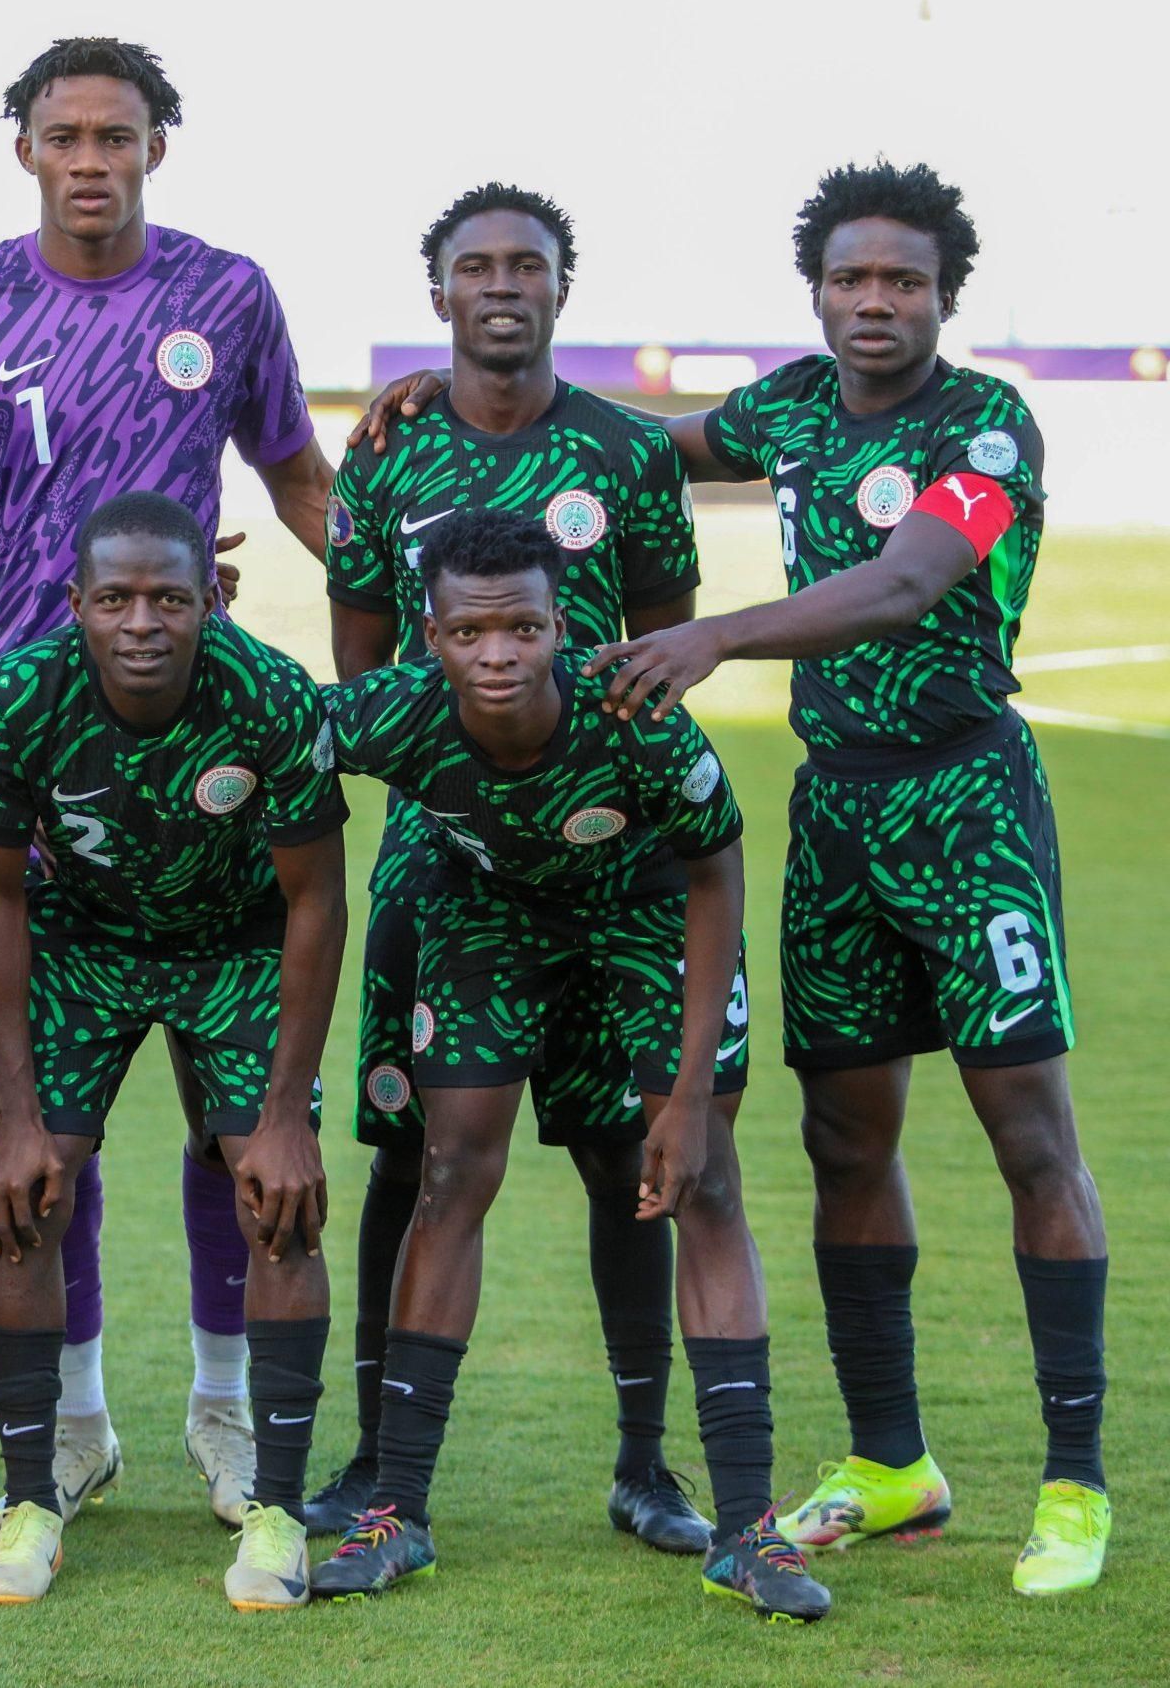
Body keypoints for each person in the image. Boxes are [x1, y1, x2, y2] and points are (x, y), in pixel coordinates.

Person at [359, 159, 1110, 1597]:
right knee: (844, 1141)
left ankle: (1073, 1479)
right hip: (836, 815)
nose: (874, 301)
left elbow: (906, 581)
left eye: (902, 280)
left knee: (1031, 1136)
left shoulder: (985, 424)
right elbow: (625, 443)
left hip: (967, 805)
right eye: (849, 278)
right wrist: (449, 395)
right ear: (815, 293)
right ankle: (890, 1462)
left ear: (946, 295)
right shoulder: (788, 408)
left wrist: (718, 636)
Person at [0, 36, 336, 1523]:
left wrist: (419, 614)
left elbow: (297, 479)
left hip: (192, 734)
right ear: (23, 147)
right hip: (38, 753)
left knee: (236, 1119)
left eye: (117, 134)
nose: (91, 158)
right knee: (52, 1124)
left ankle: (225, 1410)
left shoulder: (227, 292)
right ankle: (76, 1425)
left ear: (158, 146)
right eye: (65, 134)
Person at [303, 509, 824, 1621]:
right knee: (450, 1175)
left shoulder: (635, 714)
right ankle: (398, 1513)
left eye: (523, 630)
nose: (497, 655)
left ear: (559, 625)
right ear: (431, 636)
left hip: (644, 911)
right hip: (488, 913)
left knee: (702, 1183)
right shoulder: (389, 710)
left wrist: (690, 1095)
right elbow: (253, 729)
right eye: (469, 634)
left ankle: (747, 1532)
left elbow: (715, 871)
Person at [310, 182, 710, 1552]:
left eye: (524, 266)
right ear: (437, 294)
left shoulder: (627, 454)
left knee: (621, 1156)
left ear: (559, 287)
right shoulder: (387, 454)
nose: (500, 285)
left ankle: (646, 1465)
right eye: (473, 266)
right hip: (440, 862)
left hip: (607, 866)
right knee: (410, 1154)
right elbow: (361, 661)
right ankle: (380, 1456)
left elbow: (663, 646)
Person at [0, 491, 347, 1608]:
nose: (142, 622)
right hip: (83, 938)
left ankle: (269, 1496)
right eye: (116, 599)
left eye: (170, 599)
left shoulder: (271, 695)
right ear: (73, 602)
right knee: (29, 1185)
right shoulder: (16, 699)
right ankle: (43, 1482)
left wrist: (285, 1115)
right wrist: (14, 1111)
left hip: (234, 940)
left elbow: (315, 900)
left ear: (210, 599)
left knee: (274, 1188)